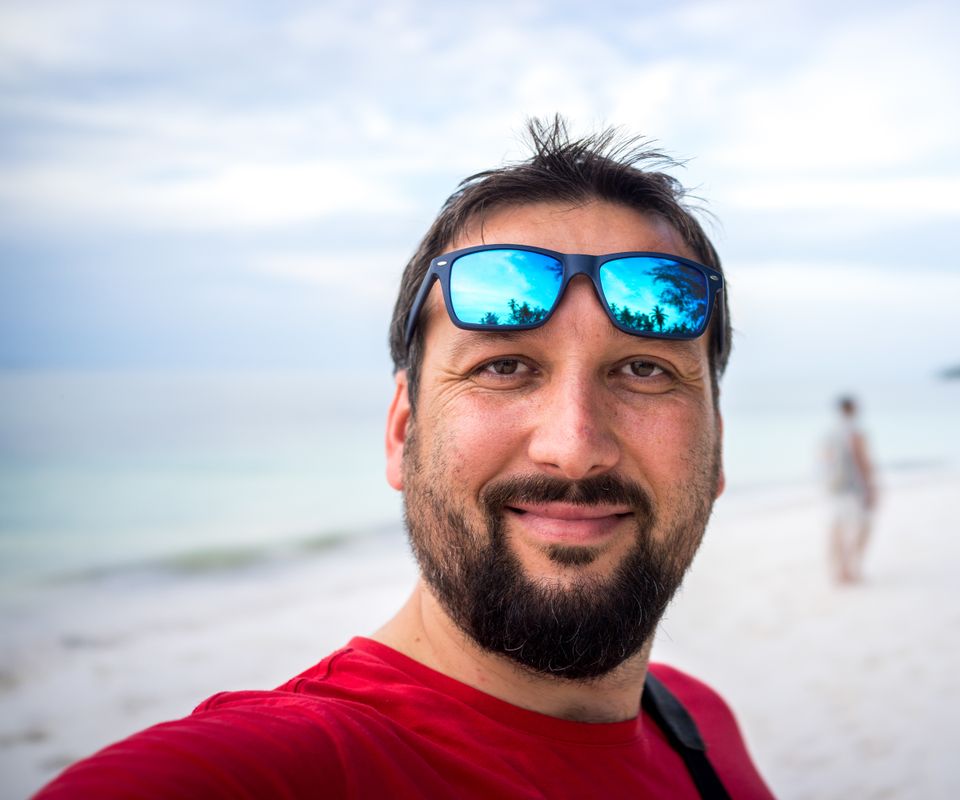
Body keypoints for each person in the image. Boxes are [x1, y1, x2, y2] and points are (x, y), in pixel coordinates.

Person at [35, 118, 773, 799]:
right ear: (400, 430)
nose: (574, 447)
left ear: (715, 449)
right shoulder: (282, 771)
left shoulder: (700, 726)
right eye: (504, 367)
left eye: (645, 370)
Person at [824, 395, 877, 584]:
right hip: (853, 488)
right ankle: (851, 567)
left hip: (834, 487)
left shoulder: (830, 432)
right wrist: (871, 487)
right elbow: (863, 461)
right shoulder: (855, 432)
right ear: (853, 409)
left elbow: (825, 460)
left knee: (838, 529)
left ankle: (839, 570)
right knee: (863, 527)